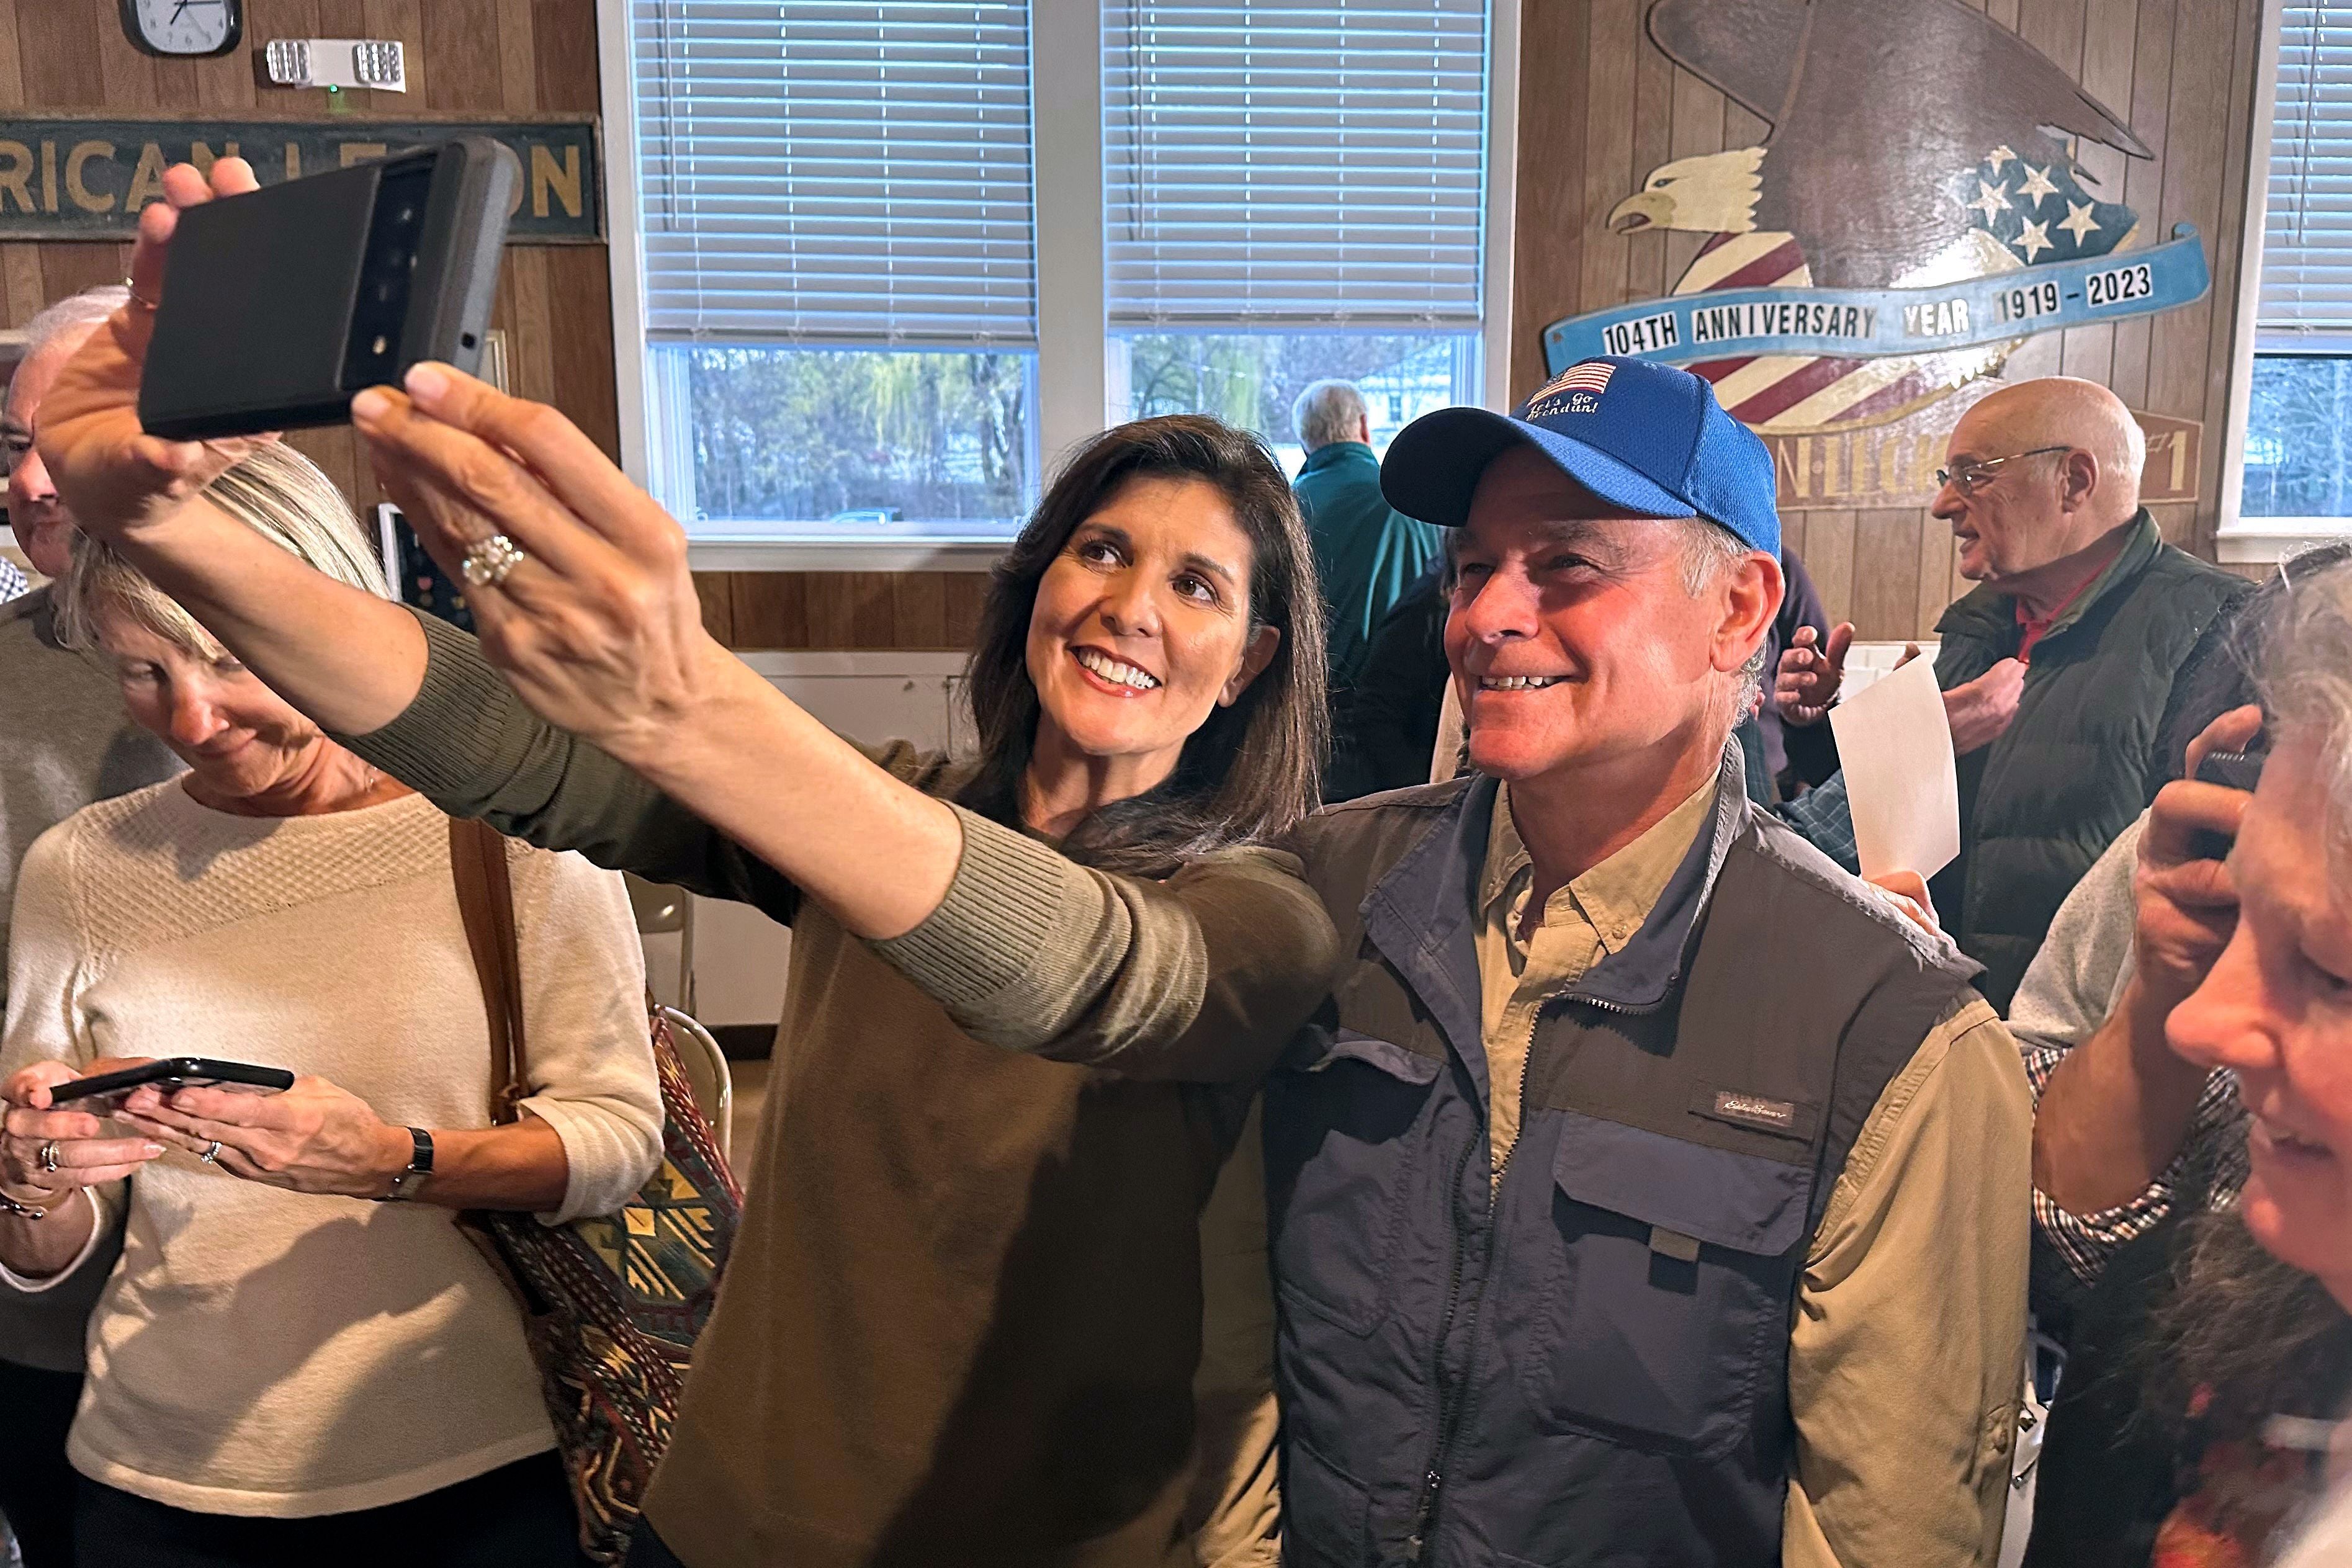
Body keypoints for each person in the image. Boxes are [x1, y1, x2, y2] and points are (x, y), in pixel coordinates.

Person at [41, 158, 1341, 1568]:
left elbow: (1080, 973)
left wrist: (682, 699)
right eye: (1099, 548)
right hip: (727, 1525)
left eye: (1195, 583)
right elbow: (506, 746)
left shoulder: (1260, 916)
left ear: (1252, 661)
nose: (1128, 603)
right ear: (1035, 584)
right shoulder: (882, 811)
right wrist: (158, 525)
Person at [985, 359, 2032, 1563]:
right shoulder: (1323, 893)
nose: (1482, 617)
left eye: (1566, 566)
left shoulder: (1890, 1038)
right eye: (1473, 567)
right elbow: (1239, 1344)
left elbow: (1878, 1529)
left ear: (1738, 610)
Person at [0, 441, 665, 1566]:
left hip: (473, 1460)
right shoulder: (82, 864)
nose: (194, 718)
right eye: (143, 670)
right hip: (159, 1473)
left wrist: (393, 1159)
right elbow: (66, 1221)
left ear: (332, 614)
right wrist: (33, 1183)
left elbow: (617, 1139)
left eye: (234, 656)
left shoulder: (511, 832)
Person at [2016, 552, 2352, 1567]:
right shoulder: (2196, 1314)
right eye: (2245, 917)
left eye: (2333, 971)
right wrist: (2158, 977)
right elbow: (2057, 1234)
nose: (2207, 1028)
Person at [1772, 377, 2251, 1011]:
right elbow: (1896, 814)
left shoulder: (2216, 628)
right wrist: (1815, 728)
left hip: (2081, 1051)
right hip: (1938, 1023)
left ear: (2074, 482)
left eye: (1973, 475)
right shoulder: (1978, 624)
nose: (1944, 504)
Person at [0, 283, 183, 1568]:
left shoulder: (350, 678)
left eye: (68, 437)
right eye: (12, 446)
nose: (28, 482)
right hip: (41, 1276)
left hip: (288, 1268)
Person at [1290, 379, 1441, 763]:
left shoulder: (1285, 510)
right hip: (1404, 724)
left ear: (1306, 441)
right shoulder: (1416, 497)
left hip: (1307, 720)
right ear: (1363, 426)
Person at [1323, 543, 1453, 801]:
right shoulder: (1427, 609)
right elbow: (1376, 714)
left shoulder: (1438, 595)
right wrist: (1420, 796)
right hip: (1377, 785)